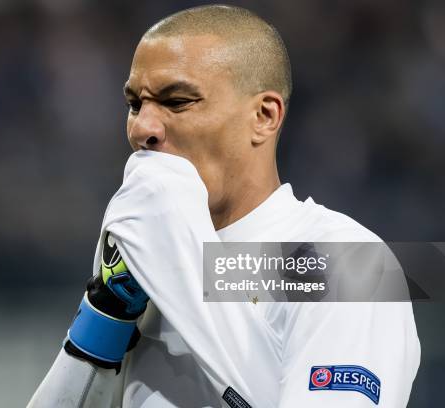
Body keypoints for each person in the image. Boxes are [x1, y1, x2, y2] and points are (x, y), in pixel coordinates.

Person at [27, 5, 420, 407]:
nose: (142, 128)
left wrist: (184, 273)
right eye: (134, 104)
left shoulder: (350, 264)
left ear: (264, 116)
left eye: (177, 101)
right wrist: (105, 313)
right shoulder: (139, 260)